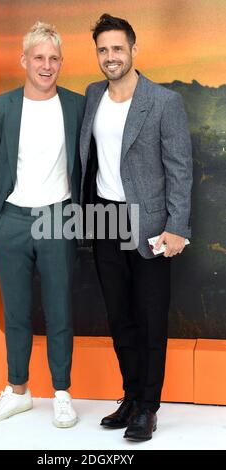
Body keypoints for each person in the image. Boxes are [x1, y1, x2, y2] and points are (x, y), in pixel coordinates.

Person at [80, 14, 192, 441]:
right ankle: (129, 397)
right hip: (105, 220)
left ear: (133, 50)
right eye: (103, 50)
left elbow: (180, 170)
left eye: (117, 48)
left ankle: (148, 406)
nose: (110, 57)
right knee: (119, 315)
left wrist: (177, 227)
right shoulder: (93, 95)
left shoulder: (163, 102)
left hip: (149, 226)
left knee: (149, 318)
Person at [0, 21, 84, 427]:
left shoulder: (76, 105)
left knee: (60, 311)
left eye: (54, 58)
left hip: (59, 219)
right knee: (17, 312)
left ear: (60, 63)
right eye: (39, 57)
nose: (46, 65)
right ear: (24, 60)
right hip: (12, 222)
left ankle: (61, 393)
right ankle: (18, 391)